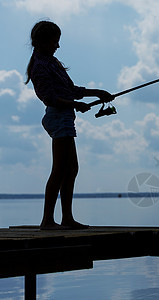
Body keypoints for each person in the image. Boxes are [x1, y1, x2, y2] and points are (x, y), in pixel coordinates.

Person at [25, 20, 114, 230]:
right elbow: (49, 98)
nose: (57, 46)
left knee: (71, 168)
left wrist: (97, 93)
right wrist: (75, 105)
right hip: (58, 117)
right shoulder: (40, 66)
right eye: (55, 41)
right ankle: (47, 220)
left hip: (65, 116)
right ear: (42, 41)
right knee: (59, 169)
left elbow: (71, 89)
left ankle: (66, 219)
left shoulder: (52, 62)